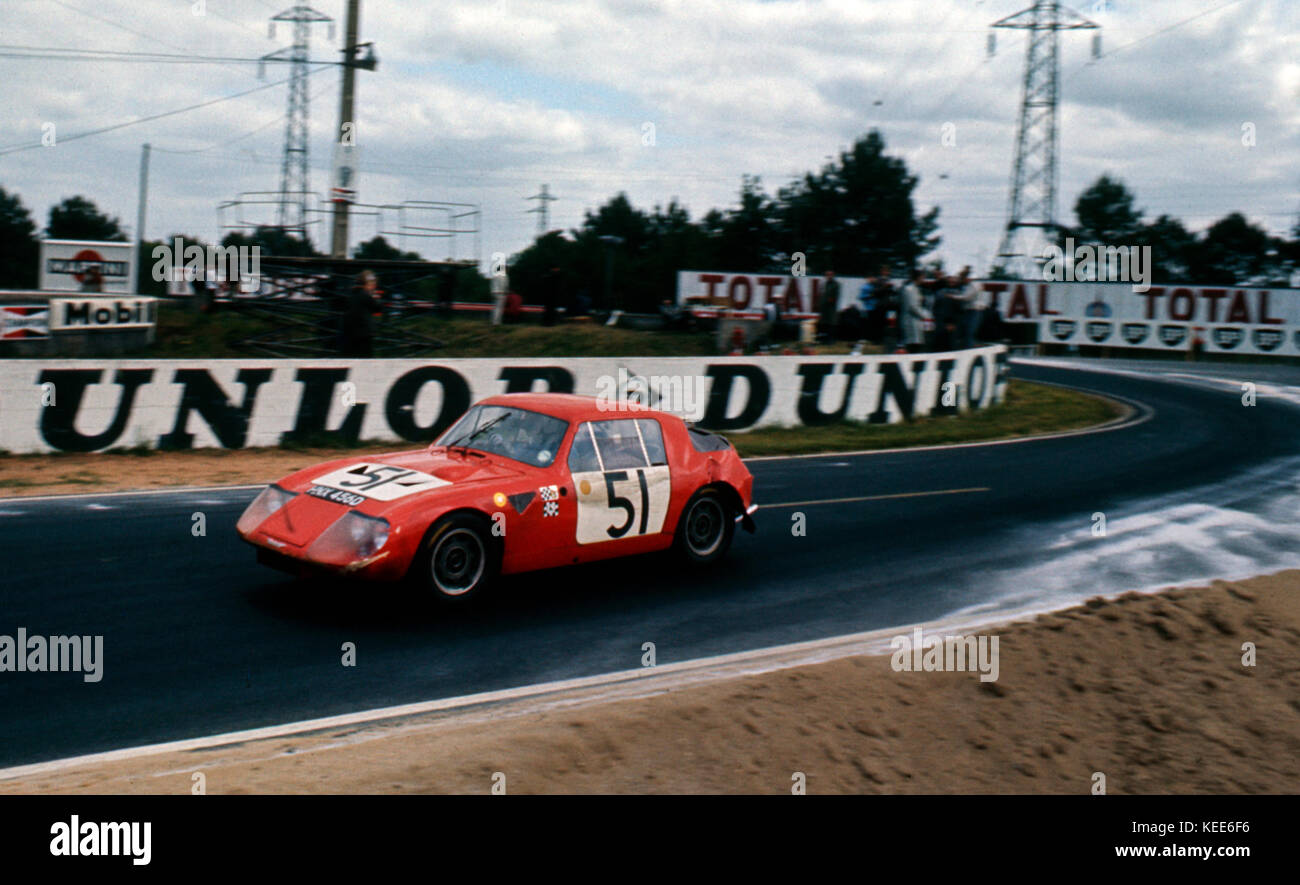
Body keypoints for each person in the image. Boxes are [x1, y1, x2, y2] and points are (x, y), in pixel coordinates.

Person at [341, 270, 380, 357]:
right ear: (366, 283)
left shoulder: (351, 295)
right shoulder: (366, 295)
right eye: (371, 282)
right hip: (364, 333)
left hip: (349, 332)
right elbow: (377, 309)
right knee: (366, 358)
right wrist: (375, 296)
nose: (374, 285)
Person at [899, 269, 930, 353]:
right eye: (923, 277)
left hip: (916, 321)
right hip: (910, 321)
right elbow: (913, 307)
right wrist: (926, 316)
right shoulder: (909, 289)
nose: (924, 279)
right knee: (912, 346)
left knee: (917, 345)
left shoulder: (916, 289)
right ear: (918, 277)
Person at [818, 270, 841, 341]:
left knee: (831, 323)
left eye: (830, 275)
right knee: (823, 323)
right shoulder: (824, 284)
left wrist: (830, 301)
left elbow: (835, 296)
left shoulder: (835, 284)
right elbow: (822, 294)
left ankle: (831, 339)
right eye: (827, 275)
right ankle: (824, 338)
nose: (829, 276)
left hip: (831, 307)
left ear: (833, 276)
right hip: (824, 306)